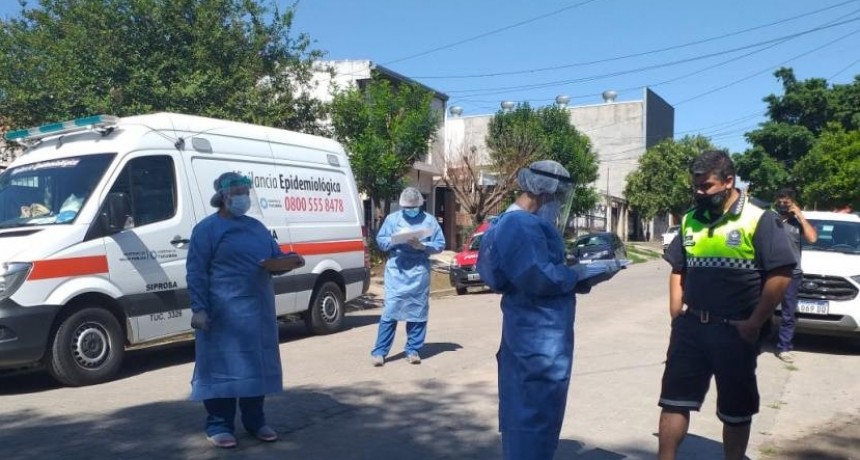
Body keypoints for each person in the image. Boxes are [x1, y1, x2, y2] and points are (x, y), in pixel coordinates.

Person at [659, 151, 796, 460]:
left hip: (736, 331)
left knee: (736, 409)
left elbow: (781, 273)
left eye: (706, 186)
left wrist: (755, 322)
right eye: (696, 186)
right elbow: (679, 267)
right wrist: (676, 313)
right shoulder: (691, 219)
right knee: (674, 401)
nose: (699, 192)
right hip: (691, 328)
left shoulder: (759, 217)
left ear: (728, 181)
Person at [476, 160, 610, 460]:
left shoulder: (510, 223)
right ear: (542, 192)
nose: (558, 204)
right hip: (537, 337)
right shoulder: (520, 225)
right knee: (533, 412)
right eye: (557, 196)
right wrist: (578, 276)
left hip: (531, 332)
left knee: (531, 409)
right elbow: (537, 274)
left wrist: (570, 272)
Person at [187, 172, 303, 448]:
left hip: (257, 313)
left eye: (245, 192)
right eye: (237, 192)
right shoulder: (207, 229)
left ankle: (255, 421)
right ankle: (219, 424)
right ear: (223, 197)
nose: (243, 197)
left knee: (254, 367)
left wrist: (289, 261)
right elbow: (196, 272)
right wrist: (199, 308)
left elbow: (273, 258)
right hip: (222, 315)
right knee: (222, 368)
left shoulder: (256, 228)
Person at [370, 187, 445, 366]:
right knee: (390, 311)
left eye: (414, 207)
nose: (411, 210)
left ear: (420, 205)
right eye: (407, 208)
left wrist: (423, 246)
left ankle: (413, 350)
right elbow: (381, 241)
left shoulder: (429, 221)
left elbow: (440, 244)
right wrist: (395, 240)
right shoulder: (392, 220)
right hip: (397, 270)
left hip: (418, 271)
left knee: (417, 312)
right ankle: (380, 351)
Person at [773, 188, 817, 363]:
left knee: (788, 313)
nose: (782, 204)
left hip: (793, 273)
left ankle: (784, 347)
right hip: (771, 271)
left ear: (793, 203)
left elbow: (812, 239)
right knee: (761, 307)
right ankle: (756, 340)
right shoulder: (770, 220)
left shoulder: (797, 222)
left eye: (786, 202)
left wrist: (800, 216)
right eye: (780, 201)